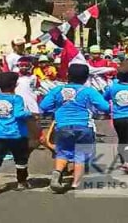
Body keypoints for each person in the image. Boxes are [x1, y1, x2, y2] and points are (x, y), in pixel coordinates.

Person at [39, 64, 110, 193]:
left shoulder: (57, 90)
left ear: (68, 75)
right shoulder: (88, 91)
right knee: (80, 155)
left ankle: (57, 173)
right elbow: (104, 107)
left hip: (62, 125)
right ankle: (75, 184)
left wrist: (58, 106)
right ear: (86, 78)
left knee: (62, 152)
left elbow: (44, 105)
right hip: (83, 125)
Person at [0, 72, 33, 197]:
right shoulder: (17, 99)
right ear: (14, 85)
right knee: (21, 159)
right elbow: (19, 114)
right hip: (17, 134)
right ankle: (21, 181)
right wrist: (29, 113)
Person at [15, 57, 42, 151]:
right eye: (21, 65)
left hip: (31, 103)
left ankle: (33, 141)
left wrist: (37, 97)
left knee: (33, 124)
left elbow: (38, 89)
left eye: (26, 65)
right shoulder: (15, 78)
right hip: (19, 104)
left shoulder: (33, 77)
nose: (24, 67)